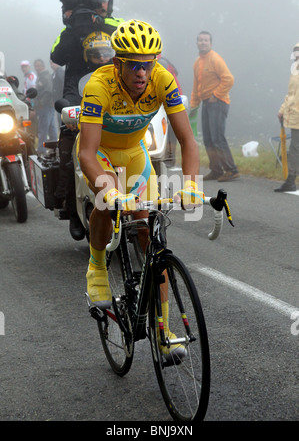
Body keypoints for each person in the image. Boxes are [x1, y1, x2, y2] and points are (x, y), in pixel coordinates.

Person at [78, 20, 202, 327]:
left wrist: (190, 185)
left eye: (148, 65)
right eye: (133, 66)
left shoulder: (163, 80)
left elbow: (187, 140)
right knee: (107, 204)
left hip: (135, 152)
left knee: (148, 229)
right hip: (101, 152)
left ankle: (165, 329)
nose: (141, 73)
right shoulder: (98, 87)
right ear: (118, 63)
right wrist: (110, 190)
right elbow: (87, 154)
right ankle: (96, 267)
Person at [50, 0, 124, 240]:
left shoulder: (116, 25)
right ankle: (73, 211)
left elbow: (133, 37)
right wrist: (74, 29)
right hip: (79, 102)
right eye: (98, 0)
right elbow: (56, 56)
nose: (103, 4)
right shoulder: (69, 31)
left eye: (105, 0)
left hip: (118, 108)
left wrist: (100, 23)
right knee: (69, 154)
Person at [190, 31, 239, 182]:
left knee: (217, 138)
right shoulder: (198, 62)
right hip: (206, 103)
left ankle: (231, 170)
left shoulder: (215, 59)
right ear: (197, 43)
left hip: (218, 102)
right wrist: (193, 106)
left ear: (210, 43)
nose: (203, 42)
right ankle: (216, 170)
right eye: (200, 40)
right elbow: (196, 86)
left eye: (206, 40)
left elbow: (229, 79)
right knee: (208, 139)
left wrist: (216, 95)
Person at [274, 43, 299, 192]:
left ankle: (291, 180)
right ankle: (290, 180)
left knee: (295, 148)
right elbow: (291, 94)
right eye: (295, 51)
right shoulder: (294, 71)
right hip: (294, 115)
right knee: (295, 148)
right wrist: (282, 110)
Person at [33, 59, 58, 153]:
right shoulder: (41, 76)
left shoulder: (45, 77)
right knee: (51, 128)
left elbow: (48, 91)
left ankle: (41, 149)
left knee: (43, 128)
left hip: (45, 106)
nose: (37, 68)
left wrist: (41, 104)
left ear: (43, 66)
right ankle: (55, 148)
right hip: (47, 107)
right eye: (35, 66)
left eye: (39, 65)